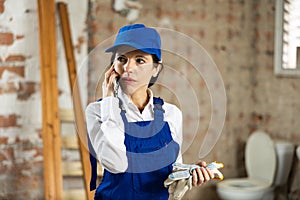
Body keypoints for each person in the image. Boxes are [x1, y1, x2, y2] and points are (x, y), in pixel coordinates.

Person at [85, 24, 214, 200]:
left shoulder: (171, 114)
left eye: (140, 60)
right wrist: (109, 99)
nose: (128, 67)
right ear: (113, 65)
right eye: (122, 58)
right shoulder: (98, 112)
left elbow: (172, 172)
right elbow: (116, 164)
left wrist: (190, 174)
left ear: (156, 69)